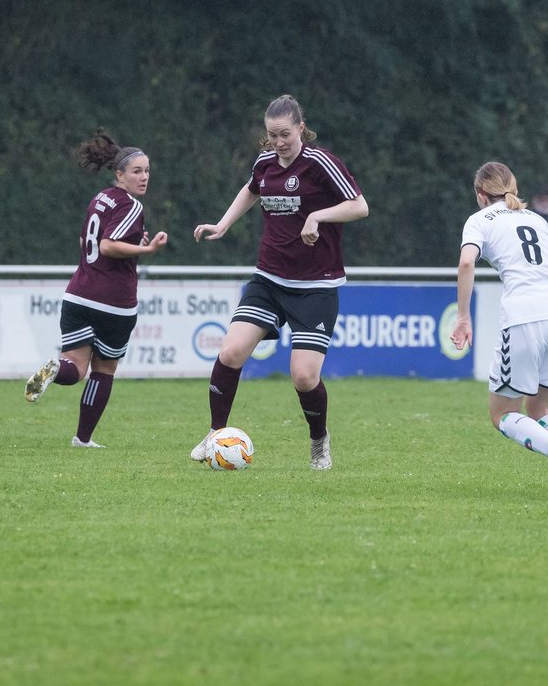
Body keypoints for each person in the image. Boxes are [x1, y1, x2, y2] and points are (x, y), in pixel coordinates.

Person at [189, 94, 368, 470]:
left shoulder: (320, 163)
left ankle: (319, 442)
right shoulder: (266, 162)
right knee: (231, 352)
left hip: (316, 286)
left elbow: (359, 206)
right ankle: (215, 434)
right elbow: (252, 189)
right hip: (269, 279)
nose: (278, 142)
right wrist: (223, 224)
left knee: (304, 377)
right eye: (272, 135)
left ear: (301, 128)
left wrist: (318, 216)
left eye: (285, 133)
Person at [450, 162, 548, 498]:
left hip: (525, 315)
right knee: (540, 409)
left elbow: (465, 263)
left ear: (480, 195)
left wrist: (463, 316)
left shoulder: (479, 220)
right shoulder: (538, 220)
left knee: (502, 414)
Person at [24, 131, 168, 448]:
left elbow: (86, 242)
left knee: (74, 369)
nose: (144, 177)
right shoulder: (131, 205)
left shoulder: (99, 199)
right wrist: (147, 251)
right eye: (137, 171)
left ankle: (53, 370)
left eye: (147, 171)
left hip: (77, 294)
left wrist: (131, 245)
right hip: (114, 303)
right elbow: (107, 245)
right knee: (104, 369)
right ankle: (83, 438)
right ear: (119, 174)